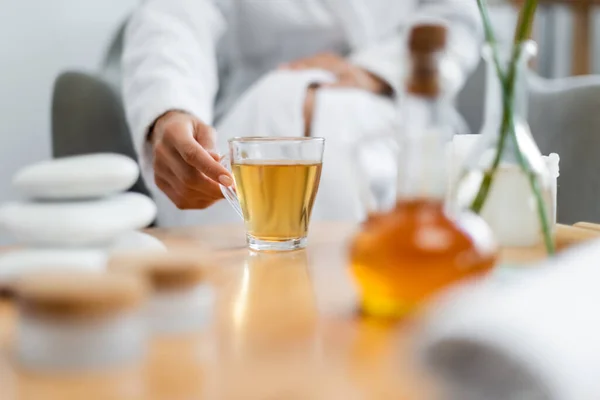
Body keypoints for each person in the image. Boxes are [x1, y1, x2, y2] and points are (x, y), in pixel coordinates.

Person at [122, 0, 482, 228]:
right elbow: (173, 15)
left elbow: (454, 18)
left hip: (390, 100)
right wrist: (170, 108)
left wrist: (375, 72)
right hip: (252, 106)